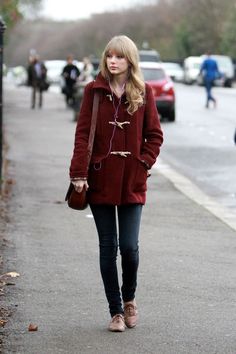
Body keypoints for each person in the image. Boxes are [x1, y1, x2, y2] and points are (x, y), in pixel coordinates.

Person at [69, 35, 163, 332]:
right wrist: (78, 172)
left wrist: (143, 163)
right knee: (108, 247)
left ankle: (130, 298)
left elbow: (155, 136)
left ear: (130, 60)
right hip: (100, 179)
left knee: (130, 247)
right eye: (109, 56)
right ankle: (115, 311)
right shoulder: (93, 92)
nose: (113, 61)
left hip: (133, 181)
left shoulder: (144, 92)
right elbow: (83, 134)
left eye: (119, 56)